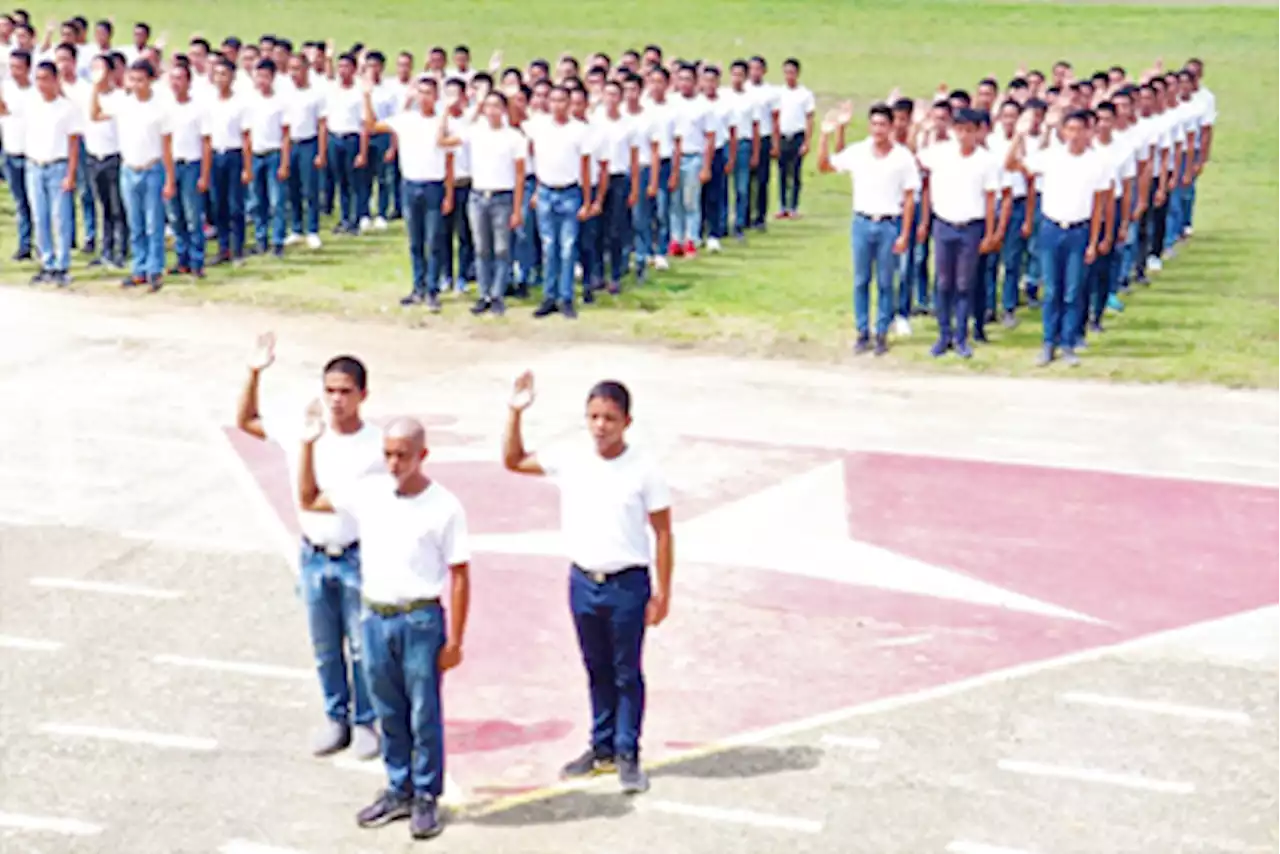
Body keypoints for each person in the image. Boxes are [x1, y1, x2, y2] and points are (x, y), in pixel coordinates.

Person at [298, 409, 471, 842]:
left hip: (419, 618)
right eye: (389, 454)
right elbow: (309, 498)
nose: (394, 464)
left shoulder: (444, 507)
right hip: (375, 616)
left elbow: (461, 574)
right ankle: (399, 787)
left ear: (422, 455)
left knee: (423, 711)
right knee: (389, 709)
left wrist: (456, 640)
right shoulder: (370, 492)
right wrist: (306, 446)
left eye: (403, 455)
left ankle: (427, 794)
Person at [501, 371, 674, 795]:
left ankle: (627, 750)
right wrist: (515, 412)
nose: (600, 426)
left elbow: (664, 532)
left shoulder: (643, 470)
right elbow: (513, 460)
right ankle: (601, 748)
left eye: (610, 418)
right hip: (583, 580)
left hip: (627, 583)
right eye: (593, 417)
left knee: (626, 671)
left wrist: (662, 593)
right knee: (595, 667)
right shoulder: (571, 457)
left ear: (627, 423)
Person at [234, 334, 384, 763]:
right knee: (324, 645)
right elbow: (247, 420)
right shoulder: (304, 429)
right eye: (330, 391)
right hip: (314, 553)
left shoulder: (374, 445)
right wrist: (254, 372)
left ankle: (364, 721)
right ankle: (336, 716)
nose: (336, 400)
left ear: (362, 395)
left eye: (345, 392)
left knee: (360, 646)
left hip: (355, 553)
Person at [818, 101, 920, 356]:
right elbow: (824, 166)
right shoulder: (859, 151)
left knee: (886, 282)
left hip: (888, 223)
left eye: (883, 124)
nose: (878, 130)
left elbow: (909, 197)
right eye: (874, 124)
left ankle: (882, 331)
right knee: (861, 279)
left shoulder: (902, 156)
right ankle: (862, 331)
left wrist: (905, 233)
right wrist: (824, 135)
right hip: (862, 222)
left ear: (891, 126)